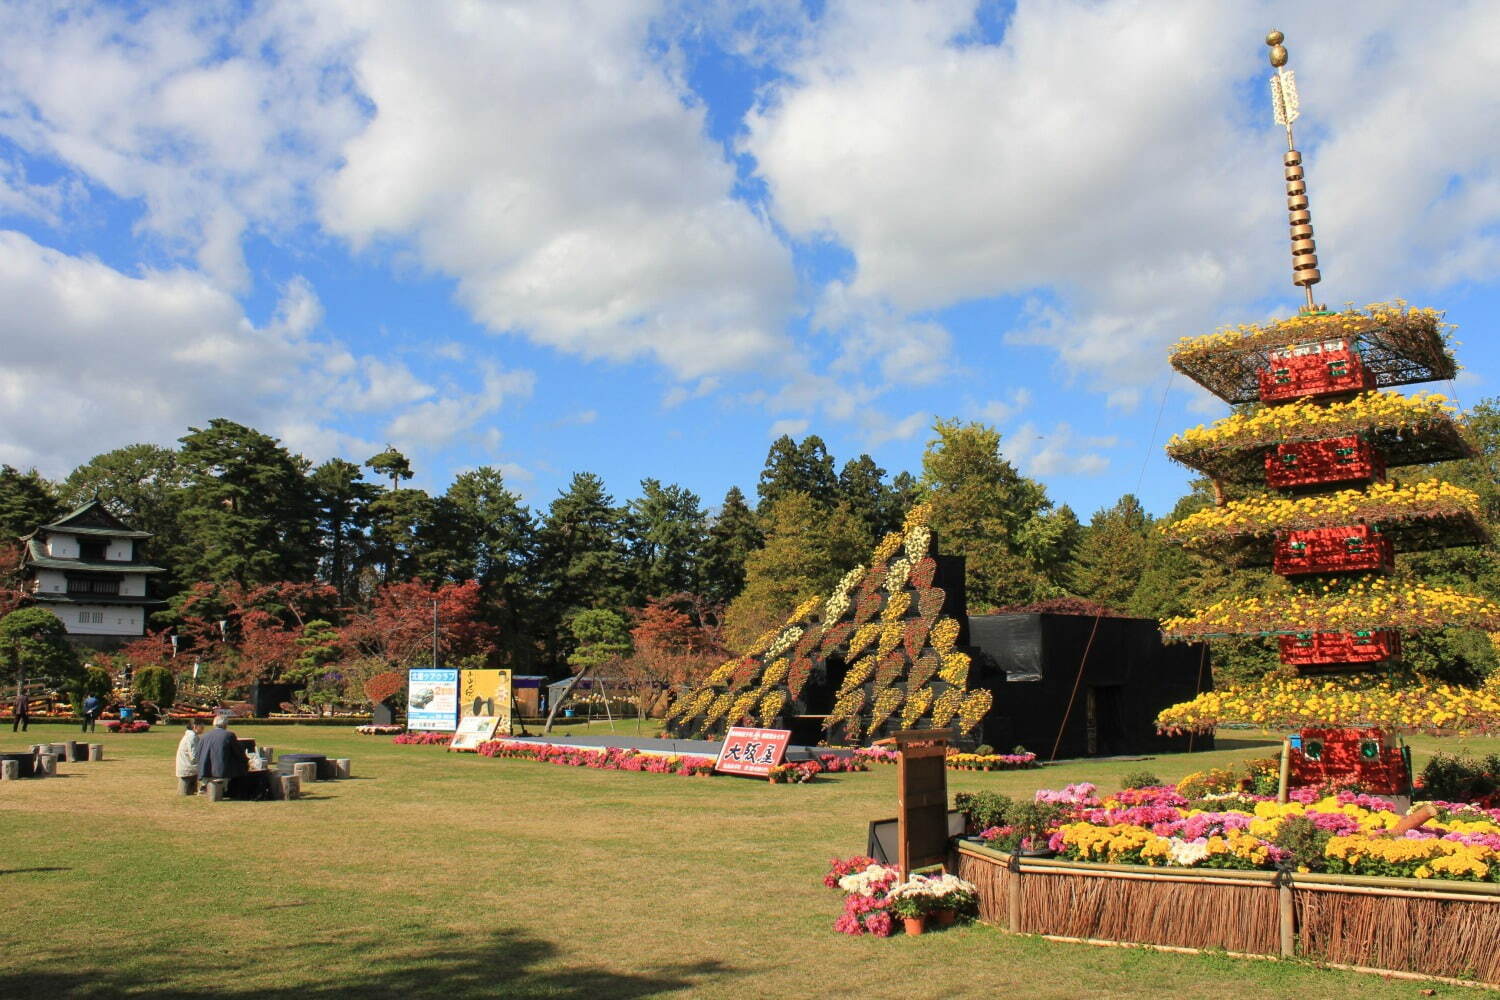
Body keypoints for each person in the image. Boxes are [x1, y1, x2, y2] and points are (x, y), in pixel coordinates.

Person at [197, 715, 248, 787]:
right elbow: (239, 753)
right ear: (225, 725)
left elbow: (198, 753)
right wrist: (246, 760)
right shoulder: (229, 735)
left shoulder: (204, 736)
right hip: (221, 771)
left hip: (204, 770)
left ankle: (204, 786)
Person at [176, 719, 204, 793]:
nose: (203, 727)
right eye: (201, 726)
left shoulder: (191, 735)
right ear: (195, 726)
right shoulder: (192, 737)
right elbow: (194, 756)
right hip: (188, 768)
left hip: (187, 766)